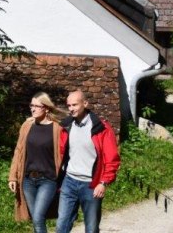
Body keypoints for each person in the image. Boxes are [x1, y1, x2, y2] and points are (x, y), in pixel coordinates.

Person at [56, 89, 120, 233]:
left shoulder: (101, 128)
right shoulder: (66, 126)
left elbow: (112, 158)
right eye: (69, 106)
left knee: (91, 228)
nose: (71, 109)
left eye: (74, 105)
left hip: (91, 185)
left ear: (85, 103)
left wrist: (103, 182)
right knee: (61, 225)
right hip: (69, 182)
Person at [9, 92, 64, 233]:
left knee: (38, 218)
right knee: (35, 219)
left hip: (48, 180)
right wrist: (13, 176)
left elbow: (64, 154)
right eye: (31, 105)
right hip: (28, 180)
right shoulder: (27, 126)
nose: (32, 108)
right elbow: (18, 151)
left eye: (36, 106)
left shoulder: (57, 129)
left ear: (46, 108)